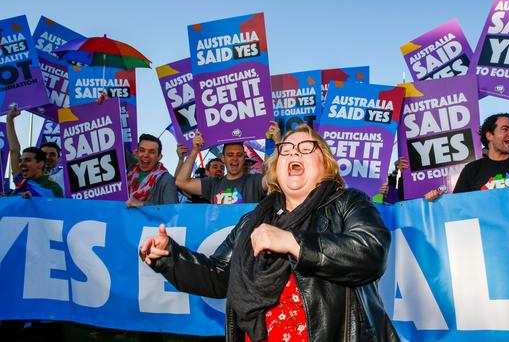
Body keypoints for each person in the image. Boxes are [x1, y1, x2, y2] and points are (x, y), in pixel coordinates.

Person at [140, 125, 398, 341]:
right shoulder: (253, 221)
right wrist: (169, 257)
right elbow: (220, 276)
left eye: (306, 148)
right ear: (277, 166)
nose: (294, 152)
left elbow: (371, 251)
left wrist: (293, 243)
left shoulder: (348, 202)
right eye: (286, 149)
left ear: (326, 164)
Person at [175, 131, 266, 204]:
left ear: (243, 158)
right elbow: (181, 182)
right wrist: (195, 150)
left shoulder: (256, 181)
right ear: (223, 158)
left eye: (239, 155)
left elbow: (273, 178)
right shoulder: (213, 184)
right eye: (230, 155)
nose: (234, 158)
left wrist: (278, 144)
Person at [6, 108, 63, 198]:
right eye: (20, 161)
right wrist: (9, 119)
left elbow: (56, 210)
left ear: (40, 164)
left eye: (27, 160)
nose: (21, 164)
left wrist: (33, 200)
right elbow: (14, 150)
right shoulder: (21, 181)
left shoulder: (53, 188)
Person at [126, 134, 178, 207]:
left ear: (159, 157)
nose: (146, 155)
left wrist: (142, 204)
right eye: (142, 150)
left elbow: (172, 212)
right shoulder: (128, 170)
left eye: (152, 152)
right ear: (137, 153)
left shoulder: (167, 179)